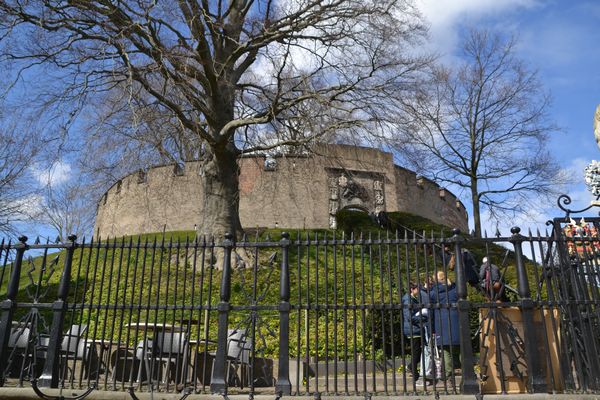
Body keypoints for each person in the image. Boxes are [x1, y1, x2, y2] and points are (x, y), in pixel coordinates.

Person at [428, 271, 460, 381]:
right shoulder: (455, 289)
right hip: (456, 321)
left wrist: (431, 328)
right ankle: (467, 371)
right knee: (461, 348)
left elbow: (430, 311)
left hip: (441, 322)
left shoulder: (433, 293)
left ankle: (448, 373)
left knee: (445, 349)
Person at [402, 282, 429, 383]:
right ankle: (413, 370)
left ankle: (411, 367)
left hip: (416, 328)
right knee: (416, 351)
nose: (419, 291)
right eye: (418, 288)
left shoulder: (412, 298)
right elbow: (409, 317)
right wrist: (422, 317)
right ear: (412, 289)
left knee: (419, 351)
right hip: (413, 329)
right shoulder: (407, 299)